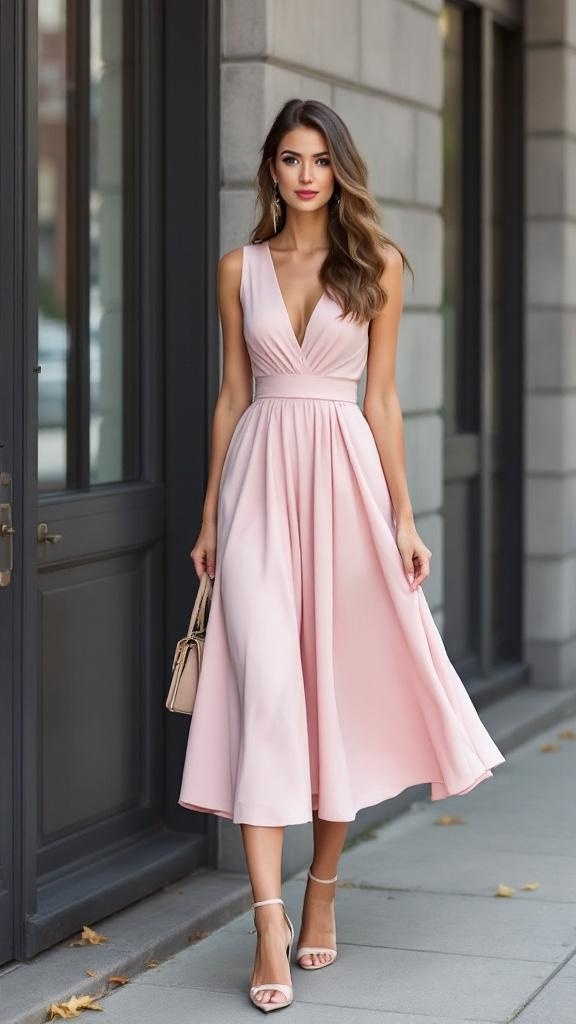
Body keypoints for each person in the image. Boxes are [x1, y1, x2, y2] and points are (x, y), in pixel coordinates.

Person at [178, 98, 505, 1013]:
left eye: (320, 159)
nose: (306, 175)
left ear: (339, 169)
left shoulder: (377, 265)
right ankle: (267, 921)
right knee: (266, 691)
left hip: (346, 492)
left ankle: (321, 889)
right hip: (257, 491)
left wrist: (404, 517)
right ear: (271, 170)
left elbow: (383, 401)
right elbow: (232, 395)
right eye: (291, 158)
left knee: (333, 697)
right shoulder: (238, 269)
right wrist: (209, 516)